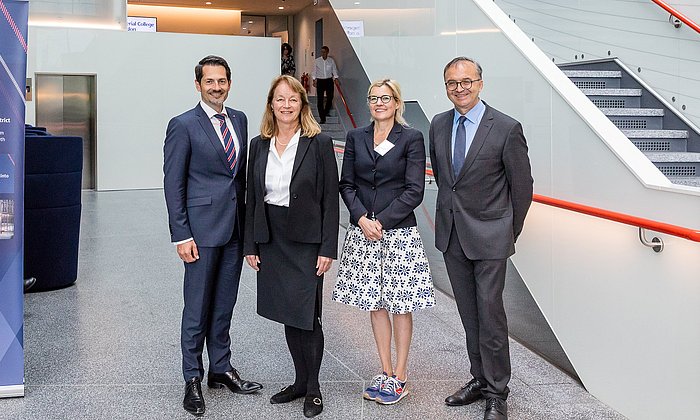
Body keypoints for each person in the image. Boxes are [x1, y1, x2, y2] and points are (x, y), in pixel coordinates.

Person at [429, 57, 533, 420]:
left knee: (490, 316)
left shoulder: (505, 128)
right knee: (469, 314)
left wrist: (508, 229)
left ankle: (497, 392)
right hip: (453, 234)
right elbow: (446, 179)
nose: (460, 88)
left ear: (480, 83)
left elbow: (522, 188)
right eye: (452, 83)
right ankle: (479, 378)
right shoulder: (439, 124)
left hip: (491, 236)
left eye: (466, 82)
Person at [163, 55, 262, 417]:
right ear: (198, 85)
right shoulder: (183, 125)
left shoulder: (239, 119)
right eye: (210, 82)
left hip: (234, 229)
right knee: (197, 307)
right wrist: (181, 234)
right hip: (200, 233)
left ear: (229, 83)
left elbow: (238, 179)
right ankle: (192, 377)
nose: (216, 87)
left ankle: (220, 368)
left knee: (224, 304)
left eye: (222, 81)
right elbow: (173, 184)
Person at [333, 79, 436, 405]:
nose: (379, 103)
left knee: (401, 305)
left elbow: (414, 190)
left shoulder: (411, 138)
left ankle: (401, 376)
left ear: (396, 103)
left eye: (385, 98)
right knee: (376, 304)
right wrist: (362, 218)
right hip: (363, 232)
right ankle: (385, 369)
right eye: (374, 98)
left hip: (398, 233)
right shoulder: (355, 137)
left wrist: (382, 221)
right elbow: (346, 184)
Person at [244, 75, 339, 418]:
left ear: (302, 105)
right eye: (280, 99)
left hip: (306, 241)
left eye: (293, 100)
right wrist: (250, 244)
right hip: (272, 238)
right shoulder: (259, 144)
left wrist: (328, 248)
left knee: (308, 317)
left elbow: (331, 199)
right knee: (287, 314)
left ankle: (313, 389)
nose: (286, 105)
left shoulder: (319, 143)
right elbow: (252, 198)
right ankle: (299, 381)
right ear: (271, 104)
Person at [311, 46, 339, 124]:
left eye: (325, 52)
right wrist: (314, 80)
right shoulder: (317, 61)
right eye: (322, 52)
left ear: (327, 52)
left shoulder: (331, 61)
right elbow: (314, 71)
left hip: (329, 80)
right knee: (320, 99)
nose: (323, 53)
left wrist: (336, 78)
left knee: (330, 97)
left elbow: (334, 70)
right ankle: (322, 118)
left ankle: (326, 111)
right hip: (320, 81)